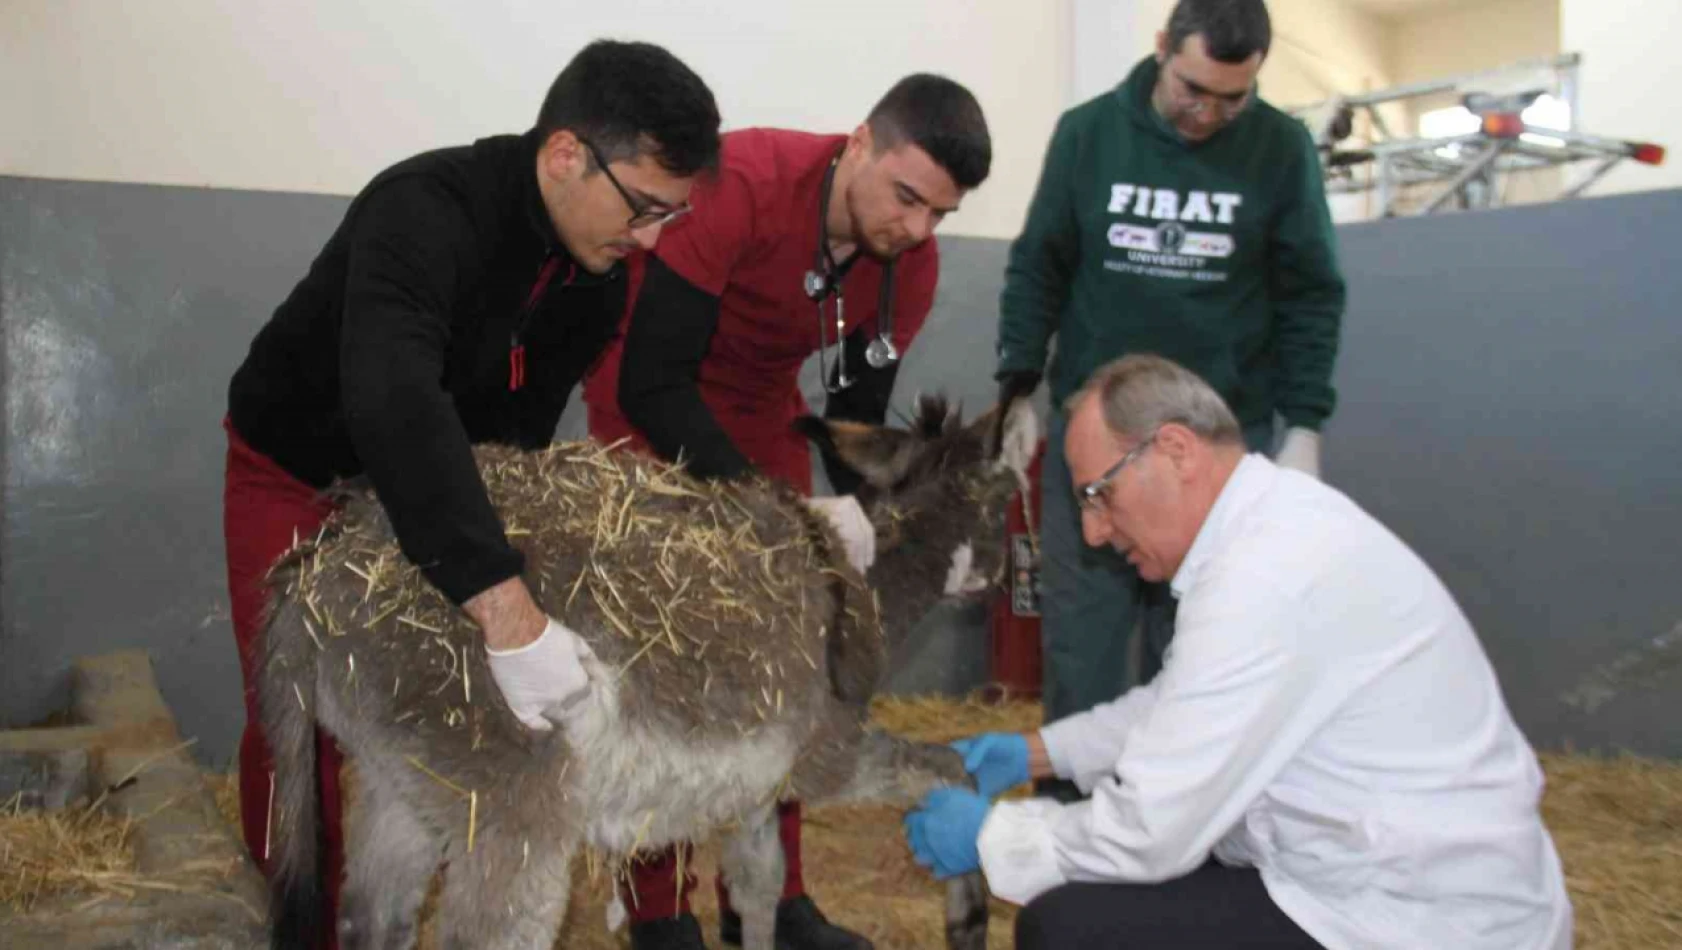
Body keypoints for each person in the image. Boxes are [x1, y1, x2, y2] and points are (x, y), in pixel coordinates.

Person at [221, 40, 721, 948]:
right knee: (292, 711)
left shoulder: (597, 280)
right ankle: (296, 927)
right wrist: (507, 611)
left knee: (451, 712)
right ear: (568, 153)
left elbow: (508, 450)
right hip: (303, 471)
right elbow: (394, 400)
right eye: (644, 206)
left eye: (669, 217)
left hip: (438, 489)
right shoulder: (423, 207)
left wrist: (518, 581)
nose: (650, 239)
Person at [903, 354, 1574, 949]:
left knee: (1068, 929)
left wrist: (994, 838)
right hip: (1377, 881)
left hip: (1413, 918)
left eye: (1097, 494)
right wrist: (1037, 752)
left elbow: (1149, 832)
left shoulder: (1266, 576)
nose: (1093, 530)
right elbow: (1186, 705)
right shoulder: (1271, 531)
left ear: (1175, 450)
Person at [582, 74, 992, 950]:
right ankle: (657, 911)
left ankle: (772, 900)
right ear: (857, 146)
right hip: (649, 401)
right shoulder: (748, 182)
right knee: (669, 661)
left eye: (940, 215)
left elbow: (856, 424)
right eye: (907, 197)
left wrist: (884, 529)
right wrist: (779, 512)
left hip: (760, 413)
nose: (916, 230)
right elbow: (653, 379)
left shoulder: (907, 265)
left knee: (800, 660)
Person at [993, 0, 1347, 774]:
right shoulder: (1089, 134)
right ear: (1162, 50)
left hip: (1218, 452)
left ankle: (1184, 841)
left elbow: (1311, 290)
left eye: (1233, 97)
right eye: (1194, 88)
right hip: (1097, 446)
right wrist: (1018, 384)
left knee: (1203, 654)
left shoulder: (1281, 149)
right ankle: (1072, 851)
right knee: (1082, 648)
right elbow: (1039, 264)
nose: (1208, 112)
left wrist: (1305, 425)